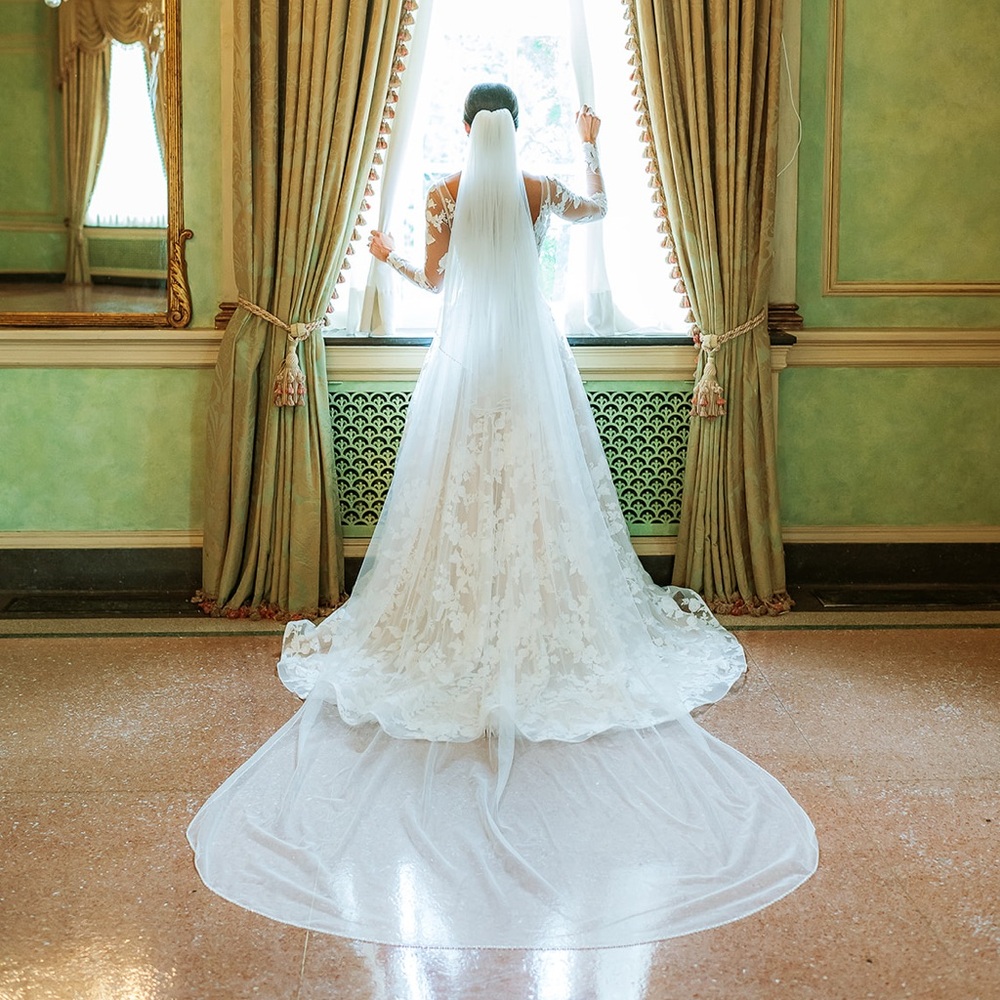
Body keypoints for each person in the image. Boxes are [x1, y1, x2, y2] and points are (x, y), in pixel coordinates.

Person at [188, 83, 817, 949]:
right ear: (515, 127)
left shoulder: (443, 191)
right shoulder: (540, 187)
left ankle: (453, 622)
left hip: (464, 368)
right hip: (531, 371)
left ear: (463, 126)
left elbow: (439, 280)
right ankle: (542, 622)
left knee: (454, 500)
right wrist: (593, 140)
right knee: (540, 499)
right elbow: (597, 210)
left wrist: (386, 255)